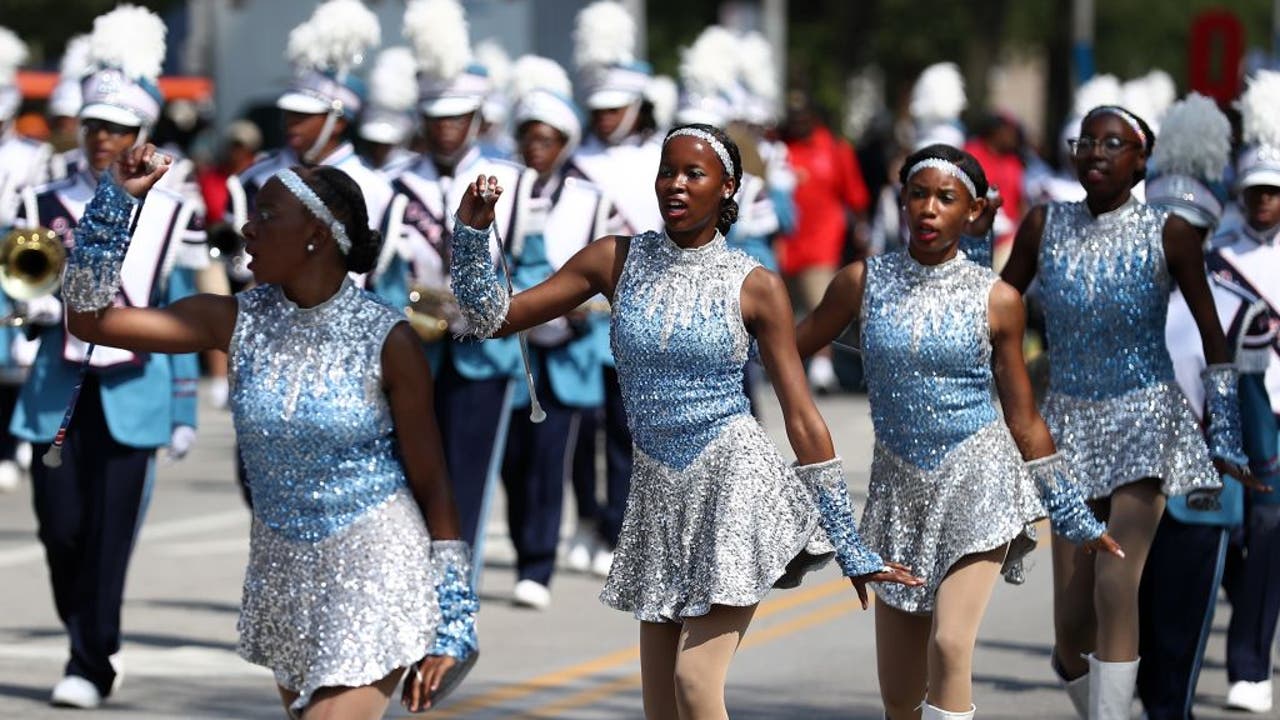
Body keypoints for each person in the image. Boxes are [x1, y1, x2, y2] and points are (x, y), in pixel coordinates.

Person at [449, 121, 920, 718]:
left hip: (733, 485)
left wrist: (849, 544)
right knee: (661, 707)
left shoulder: (755, 286)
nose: (675, 184)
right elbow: (491, 317)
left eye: (693, 174)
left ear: (727, 188)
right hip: (656, 496)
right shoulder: (614, 259)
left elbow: (801, 418)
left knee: (696, 683)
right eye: (666, 171)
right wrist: (471, 232)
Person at [64, 144, 478, 719]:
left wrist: (455, 619)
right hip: (282, 568)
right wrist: (116, 203)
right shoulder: (233, 319)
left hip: (376, 561)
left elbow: (433, 483)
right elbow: (89, 319)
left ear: (315, 233)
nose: (246, 231)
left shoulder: (390, 341)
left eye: (265, 217)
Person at [795, 143, 1118, 720]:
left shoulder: (999, 299)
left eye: (946, 199)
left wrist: (1071, 511)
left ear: (973, 213)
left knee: (950, 645)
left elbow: (1023, 418)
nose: (928, 209)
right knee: (899, 694)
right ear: (901, 202)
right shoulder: (860, 281)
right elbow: (786, 349)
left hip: (979, 479)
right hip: (896, 491)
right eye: (918, 195)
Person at [1001, 104, 1256, 719]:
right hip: (1065, 429)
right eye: (1085, 141)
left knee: (1118, 582)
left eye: (1112, 144)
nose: (1094, 153)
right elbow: (998, 311)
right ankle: (1094, 698)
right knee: (1071, 626)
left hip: (1146, 417)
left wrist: (1224, 436)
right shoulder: (1042, 225)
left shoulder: (1169, 233)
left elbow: (1215, 343)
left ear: (1141, 162)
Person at [8, 6, 201, 708]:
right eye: (93, 126)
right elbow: (16, 275)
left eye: (116, 129)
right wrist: (25, 310)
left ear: (140, 136)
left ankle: (90, 660)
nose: (101, 140)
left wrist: (184, 405)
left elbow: (182, 312)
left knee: (109, 540)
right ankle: (84, 634)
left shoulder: (172, 211)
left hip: (135, 393)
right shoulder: (41, 199)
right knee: (60, 530)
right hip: (56, 387)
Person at [392, 0, 533, 577]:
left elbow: (533, 266)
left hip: (483, 350)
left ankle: (457, 590)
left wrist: (484, 306)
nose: (446, 128)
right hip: (415, 347)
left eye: (457, 117)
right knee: (412, 473)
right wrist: (412, 303)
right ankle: (416, 581)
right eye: (436, 118)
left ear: (477, 118)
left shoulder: (517, 181)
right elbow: (379, 273)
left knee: (469, 480)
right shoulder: (395, 183)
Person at [1139, 93, 1256, 720]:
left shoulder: (1236, 301)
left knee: (1177, 651)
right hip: (1123, 482)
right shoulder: (1117, 294)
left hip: (1201, 497)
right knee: (1117, 644)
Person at [498, 54, 611, 609]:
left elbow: (615, 268)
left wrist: (584, 306)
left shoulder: (591, 198)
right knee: (512, 458)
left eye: (546, 138)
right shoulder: (503, 189)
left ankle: (537, 565)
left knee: (549, 456)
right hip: (513, 345)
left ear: (564, 141)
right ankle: (525, 547)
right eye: (528, 137)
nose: (535, 148)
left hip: (567, 350)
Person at [226, 0, 404, 306]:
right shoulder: (253, 178)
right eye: (289, 113)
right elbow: (236, 271)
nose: (291, 123)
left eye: (305, 116)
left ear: (339, 122)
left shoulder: (378, 188)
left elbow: (383, 285)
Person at [1203, 70, 1280, 715]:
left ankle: (1250, 665)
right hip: (1240, 397)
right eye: (1254, 192)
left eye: (1273, 193)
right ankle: (1242, 605)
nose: (1263, 202)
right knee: (1239, 525)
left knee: (1272, 523)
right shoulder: (1217, 253)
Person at [778, 90, 871, 393]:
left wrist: (862, 229)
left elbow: (854, 195)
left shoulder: (834, 149)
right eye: (794, 119)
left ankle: (821, 368)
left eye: (804, 118)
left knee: (820, 305)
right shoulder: (780, 148)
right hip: (784, 244)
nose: (799, 123)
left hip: (821, 244)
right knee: (781, 310)